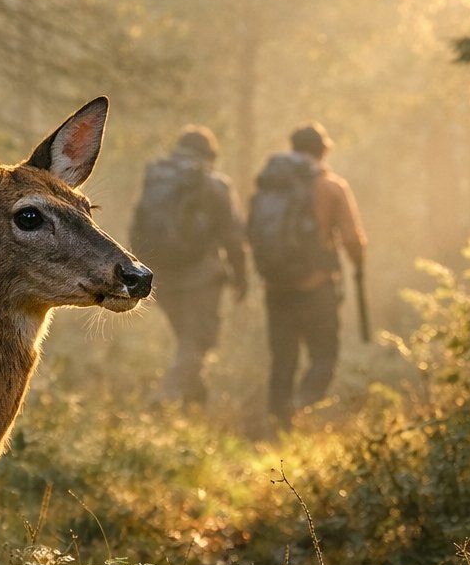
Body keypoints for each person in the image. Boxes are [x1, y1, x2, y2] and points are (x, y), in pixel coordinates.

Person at [249, 122, 367, 430]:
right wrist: (357, 265)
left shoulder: (272, 185)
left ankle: (277, 428)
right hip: (317, 286)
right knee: (324, 356)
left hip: (276, 286)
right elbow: (352, 239)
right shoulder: (330, 186)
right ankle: (302, 406)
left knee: (282, 360)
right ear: (323, 150)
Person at [130, 125, 247, 405]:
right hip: (201, 278)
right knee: (197, 342)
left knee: (187, 341)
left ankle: (194, 406)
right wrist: (241, 278)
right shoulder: (216, 185)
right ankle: (165, 396)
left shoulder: (157, 176)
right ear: (210, 154)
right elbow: (233, 237)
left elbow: (139, 222)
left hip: (161, 277)